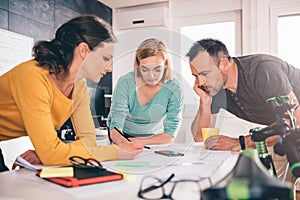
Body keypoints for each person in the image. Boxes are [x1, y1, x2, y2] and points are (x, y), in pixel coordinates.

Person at [0, 15, 143, 168]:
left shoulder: (79, 86)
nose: (109, 68)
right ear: (84, 51)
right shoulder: (32, 77)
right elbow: (51, 154)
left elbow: (88, 140)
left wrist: (51, 153)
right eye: (106, 58)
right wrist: (115, 152)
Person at [186, 38, 300, 151]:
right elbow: (200, 138)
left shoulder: (263, 69)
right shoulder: (215, 88)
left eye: (204, 73)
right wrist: (205, 102)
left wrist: (239, 142)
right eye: (196, 76)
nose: (200, 82)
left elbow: (294, 120)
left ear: (224, 63)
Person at [107, 38, 183, 146]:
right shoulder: (125, 82)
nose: (151, 76)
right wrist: (124, 143)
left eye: (157, 69)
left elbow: (170, 134)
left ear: (166, 64)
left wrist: (141, 142)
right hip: (122, 136)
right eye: (144, 69)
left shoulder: (174, 87)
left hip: (156, 139)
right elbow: (116, 124)